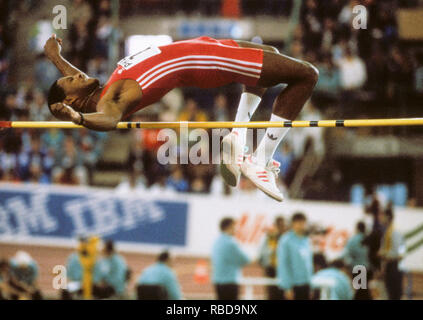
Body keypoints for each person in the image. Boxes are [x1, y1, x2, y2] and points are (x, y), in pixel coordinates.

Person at [43, 34, 319, 202]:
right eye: (71, 78)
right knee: (307, 75)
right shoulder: (112, 99)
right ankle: (260, 161)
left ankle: (237, 136)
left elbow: (75, 88)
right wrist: (77, 118)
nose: (76, 73)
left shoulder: (99, 91)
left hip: (201, 49)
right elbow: (109, 121)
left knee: (268, 53)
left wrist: (55, 57)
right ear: (71, 101)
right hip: (204, 59)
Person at [211, 217, 250, 300]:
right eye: (234, 226)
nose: (236, 229)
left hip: (218, 281)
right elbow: (245, 259)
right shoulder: (231, 243)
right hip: (229, 282)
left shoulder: (216, 242)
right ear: (229, 227)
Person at [277, 212, 313, 300]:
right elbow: (283, 265)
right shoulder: (286, 240)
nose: (302, 226)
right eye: (299, 223)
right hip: (293, 286)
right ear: (293, 224)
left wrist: (311, 286)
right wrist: (287, 287)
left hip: (305, 284)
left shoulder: (306, 240)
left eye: (303, 223)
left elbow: (309, 265)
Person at [379, 208, 406, 300]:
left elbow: (400, 253)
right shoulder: (387, 232)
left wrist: (384, 254)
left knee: (394, 295)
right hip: (389, 267)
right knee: (390, 294)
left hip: (394, 268)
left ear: (388, 217)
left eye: (382, 216)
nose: (380, 218)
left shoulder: (395, 232)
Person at [258, 216, 286, 299]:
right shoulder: (269, 238)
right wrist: (273, 251)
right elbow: (262, 255)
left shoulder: (288, 239)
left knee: (284, 294)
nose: (281, 227)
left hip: (285, 270)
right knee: (272, 294)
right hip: (272, 270)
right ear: (275, 226)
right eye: (279, 225)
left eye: (283, 225)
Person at [343, 221, 372, 300]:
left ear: (357, 228)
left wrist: (349, 266)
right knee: (363, 290)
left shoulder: (353, 240)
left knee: (359, 292)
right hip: (367, 269)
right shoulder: (368, 239)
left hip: (357, 268)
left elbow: (346, 254)